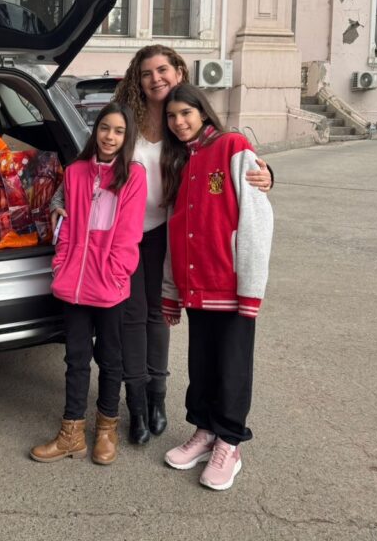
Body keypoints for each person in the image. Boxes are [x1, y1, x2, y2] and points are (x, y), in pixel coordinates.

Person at [52, 46, 273, 444]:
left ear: (179, 72)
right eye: (147, 72)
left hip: (166, 231)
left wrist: (266, 172)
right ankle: (136, 403)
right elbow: (88, 163)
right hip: (121, 235)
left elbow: (224, 157)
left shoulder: (185, 122)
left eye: (163, 70)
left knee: (159, 316)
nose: (156, 78)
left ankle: (157, 397)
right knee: (132, 317)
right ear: (137, 79)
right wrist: (58, 200)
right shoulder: (125, 118)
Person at [159, 83, 273, 491]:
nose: (179, 122)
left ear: (203, 112)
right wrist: (171, 292)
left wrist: (251, 289)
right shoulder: (180, 163)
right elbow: (175, 233)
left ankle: (229, 441)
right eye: (171, 117)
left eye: (185, 113)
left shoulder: (233, 147)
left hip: (231, 285)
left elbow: (257, 222)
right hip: (196, 286)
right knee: (202, 364)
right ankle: (205, 431)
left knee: (232, 367)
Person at [30, 102, 147, 466]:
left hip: (109, 284)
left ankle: (107, 428)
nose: (110, 137)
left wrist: (116, 272)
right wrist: (61, 263)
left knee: (110, 358)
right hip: (74, 284)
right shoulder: (76, 172)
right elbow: (64, 222)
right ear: (95, 131)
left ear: (127, 138)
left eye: (119, 131)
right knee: (76, 358)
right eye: (104, 128)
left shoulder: (133, 176)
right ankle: (72, 433)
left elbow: (129, 233)